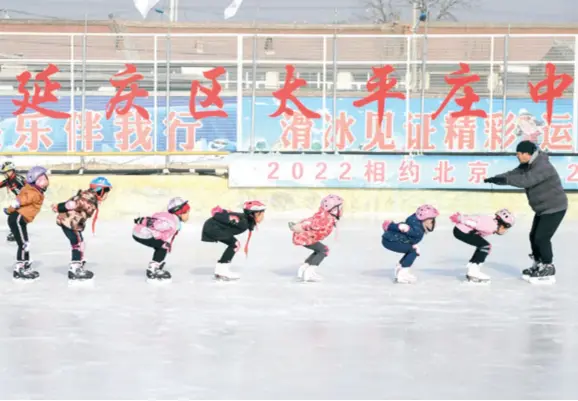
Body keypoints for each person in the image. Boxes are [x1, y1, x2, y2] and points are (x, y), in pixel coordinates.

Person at [484, 140, 567, 284]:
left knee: (542, 237)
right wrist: (497, 178)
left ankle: (548, 266)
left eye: (519, 154)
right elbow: (513, 173)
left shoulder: (542, 166)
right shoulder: (528, 164)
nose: (517, 156)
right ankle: (538, 264)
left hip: (555, 207)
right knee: (533, 236)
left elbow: (526, 181)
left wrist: (505, 180)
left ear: (527, 154)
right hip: (542, 208)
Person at [52, 176, 113, 281]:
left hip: (73, 223)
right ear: (99, 190)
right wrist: (58, 207)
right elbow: (71, 204)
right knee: (77, 243)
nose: (107, 195)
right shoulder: (85, 199)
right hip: (70, 223)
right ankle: (75, 269)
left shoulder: (90, 198)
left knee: (80, 243)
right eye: (106, 191)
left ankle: (79, 261)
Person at [201, 200, 266, 281]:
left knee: (234, 244)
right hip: (212, 228)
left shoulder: (245, 220)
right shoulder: (243, 222)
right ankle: (222, 271)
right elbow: (222, 216)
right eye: (261, 214)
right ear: (253, 214)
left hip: (214, 227)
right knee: (235, 245)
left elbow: (229, 214)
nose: (263, 217)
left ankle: (220, 270)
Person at [3, 166, 49, 280]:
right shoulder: (33, 193)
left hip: (18, 219)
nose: (46, 181)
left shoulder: (33, 190)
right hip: (18, 219)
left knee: (25, 243)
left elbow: (22, 194)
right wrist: (11, 208)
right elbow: (20, 200)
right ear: (36, 180)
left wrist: (10, 209)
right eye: (43, 179)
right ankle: (20, 268)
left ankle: (25, 264)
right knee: (23, 244)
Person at [133, 197, 191, 282]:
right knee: (164, 246)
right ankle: (152, 269)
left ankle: (156, 264)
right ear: (179, 212)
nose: (188, 215)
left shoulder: (173, 220)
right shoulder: (171, 222)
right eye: (186, 212)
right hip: (142, 233)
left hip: (144, 233)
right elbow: (155, 223)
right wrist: (141, 220)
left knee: (163, 246)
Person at [450, 209, 515, 283]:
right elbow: (474, 223)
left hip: (462, 231)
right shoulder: (491, 226)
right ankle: (473, 271)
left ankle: (473, 268)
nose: (504, 230)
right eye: (505, 227)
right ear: (501, 223)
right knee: (485, 246)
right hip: (461, 231)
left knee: (483, 246)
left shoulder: (491, 223)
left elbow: (477, 220)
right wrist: (461, 219)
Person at [288, 194, 343, 282]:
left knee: (319, 250)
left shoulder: (325, 216)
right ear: (334, 209)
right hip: (305, 237)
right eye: (340, 208)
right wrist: (299, 226)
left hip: (306, 237)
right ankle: (309, 272)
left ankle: (304, 268)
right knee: (324, 250)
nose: (341, 210)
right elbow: (312, 223)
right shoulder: (325, 218)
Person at [381, 204, 439, 284]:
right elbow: (402, 228)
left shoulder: (415, 224)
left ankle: (400, 269)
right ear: (425, 220)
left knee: (412, 250)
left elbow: (405, 231)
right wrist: (392, 226)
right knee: (414, 251)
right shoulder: (417, 230)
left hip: (391, 239)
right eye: (432, 221)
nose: (434, 224)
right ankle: (403, 274)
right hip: (390, 241)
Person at [0, 161, 26, 242]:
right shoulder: (8, 180)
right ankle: (15, 232)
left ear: (11, 171)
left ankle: (18, 234)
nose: (4, 174)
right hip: (21, 201)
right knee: (12, 218)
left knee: (14, 218)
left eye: (5, 172)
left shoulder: (18, 179)